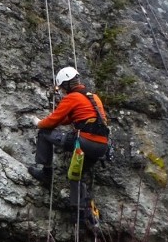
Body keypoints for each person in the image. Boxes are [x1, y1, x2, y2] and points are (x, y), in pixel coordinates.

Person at [28, 67, 110, 225]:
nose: (62, 91)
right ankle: (79, 212)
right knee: (75, 174)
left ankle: (46, 172)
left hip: (86, 142)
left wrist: (39, 123)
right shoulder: (93, 97)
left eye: (61, 88)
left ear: (65, 85)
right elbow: (72, 118)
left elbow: (53, 121)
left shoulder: (72, 98)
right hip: (101, 146)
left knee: (44, 133)